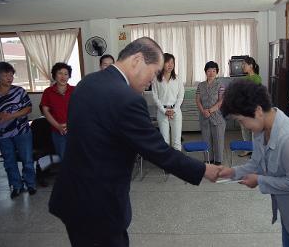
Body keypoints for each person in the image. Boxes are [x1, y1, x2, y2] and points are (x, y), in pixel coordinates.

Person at [48, 37, 221, 247]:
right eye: (154, 72)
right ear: (137, 60)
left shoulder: (87, 83)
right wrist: (204, 169)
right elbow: (159, 151)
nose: (152, 80)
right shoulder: (127, 98)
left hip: (71, 195)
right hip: (99, 205)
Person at [219, 79, 289, 247]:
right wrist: (230, 172)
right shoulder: (261, 129)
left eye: (241, 120)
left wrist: (259, 180)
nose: (242, 125)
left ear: (257, 111)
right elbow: (256, 164)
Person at [0, 62, 36, 198]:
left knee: (27, 159)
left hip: (22, 131)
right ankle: (17, 185)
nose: (9, 77)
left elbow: (28, 108)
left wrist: (11, 115)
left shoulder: (19, 91)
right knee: (9, 161)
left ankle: (31, 183)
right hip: (2, 134)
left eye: (11, 75)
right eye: (5, 74)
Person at [40, 62, 75, 161]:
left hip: (74, 130)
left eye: (66, 74)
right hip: (58, 131)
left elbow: (81, 110)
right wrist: (58, 126)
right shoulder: (48, 92)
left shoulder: (75, 90)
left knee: (78, 157)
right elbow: (45, 111)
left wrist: (70, 124)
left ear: (69, 76)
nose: (63, 76)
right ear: (55, 75)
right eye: (60, 73)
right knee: (64, 158)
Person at [196, 61, 226, 166]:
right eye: (209, 70)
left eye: (214, 70)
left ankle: (218, 161)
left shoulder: (220, 85)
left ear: (217, 72)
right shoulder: (200, 85)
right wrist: (203, 110)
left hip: (217, 116)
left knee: (218, 140)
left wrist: (209, 110)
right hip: (204, 116)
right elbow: (198, 100)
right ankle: (208, 159)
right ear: (205, 72)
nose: (211, 73)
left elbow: (221, 101)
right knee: (206, 139)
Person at [152, 53, 184, 151]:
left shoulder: (177, 78)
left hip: (176, 111)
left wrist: (174, 110)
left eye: (172, 63)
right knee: (165, 141)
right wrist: (164, 111)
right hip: (162, 112)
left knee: (176, 141)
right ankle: (167, 165)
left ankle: (177, 164)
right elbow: (155, 96)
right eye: (167, 62)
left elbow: (180, 96)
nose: (170, 65)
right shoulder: (156, 79)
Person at [239, 56, 262, 157]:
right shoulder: (244, 78)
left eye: (244, 64)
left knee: (253, 131)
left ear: (251, 66)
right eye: (242, 64)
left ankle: (255, 151)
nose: (242, 66)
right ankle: (247, 149)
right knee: (244, 129)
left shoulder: (257, 78)